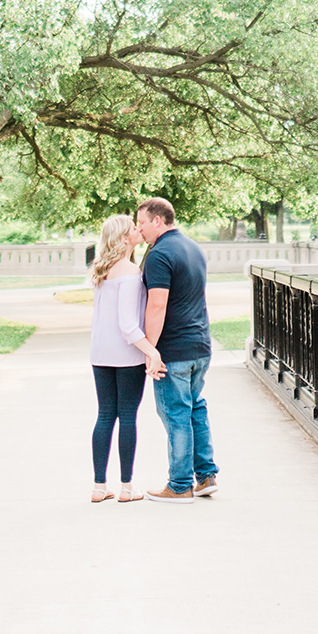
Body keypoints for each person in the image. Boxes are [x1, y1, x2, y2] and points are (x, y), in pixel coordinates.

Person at [137, 198, 219, 504]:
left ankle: (180, 484)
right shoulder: (193, 247)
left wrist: (150, 349)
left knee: (176, 413)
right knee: (195, 407)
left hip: (174, 348)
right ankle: (206, 476)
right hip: (201, 345)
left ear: (158, 220)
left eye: (142, 222)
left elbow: (157, 306)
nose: (140, 229)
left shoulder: (159, 254)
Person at [89, 213, 166, 503]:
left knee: (105, 415)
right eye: (134, 228)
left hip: (100, 354)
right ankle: (126, 487)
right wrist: (152, 351)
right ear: (124, 238)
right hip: (126, 355)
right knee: (128, 417)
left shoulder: (100, 269)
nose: (138, 229)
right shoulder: (131, 274)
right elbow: (127, 325)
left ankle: (99, 486)